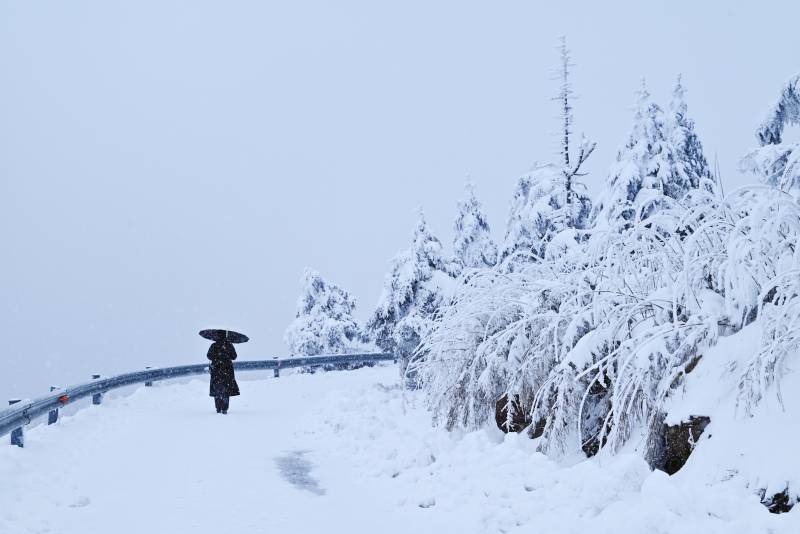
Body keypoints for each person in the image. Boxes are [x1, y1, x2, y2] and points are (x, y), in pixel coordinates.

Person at [207, 338, 240, 414]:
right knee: (226, 389)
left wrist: (217, 354)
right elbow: (234, 356)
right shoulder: (229, 345)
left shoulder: (214, 345)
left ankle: (218, 408)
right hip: (227, 370)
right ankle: (224, 408)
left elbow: (209, 356)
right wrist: (226, 352)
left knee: (217, 388)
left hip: (216, 370)